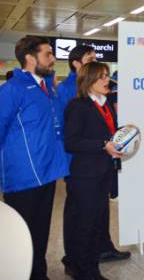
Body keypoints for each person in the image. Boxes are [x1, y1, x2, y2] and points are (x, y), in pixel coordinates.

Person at [0, 36, 69, 280]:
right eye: (48, 53)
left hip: (48, 173)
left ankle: (39, 274)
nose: (53, 58)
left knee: (41, 232)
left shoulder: (48, 88)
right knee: (21, 235)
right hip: (23, 178)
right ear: (30, 58)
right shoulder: (11, 90)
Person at [59, 47, 129, 277]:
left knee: (97, 220)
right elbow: (71, 142)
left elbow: (110, 133)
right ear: (89, 80)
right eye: (102, 76)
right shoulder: (78, 106)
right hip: (85, 176)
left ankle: (87, 265)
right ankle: (84, 270)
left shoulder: (105, 104)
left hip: (102, 173)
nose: (107, 80)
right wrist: (102, 145)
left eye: (107, 75)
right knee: (84, 224)